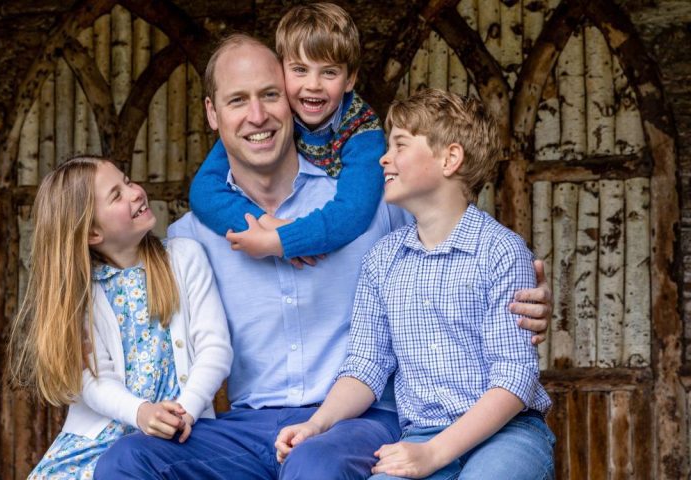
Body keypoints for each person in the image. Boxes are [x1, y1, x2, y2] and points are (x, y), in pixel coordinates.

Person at [95, 36, 551, 480]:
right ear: (213, 114)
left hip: (360, 420)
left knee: (315, 464)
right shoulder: (191, 238)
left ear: (291, 103)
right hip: (249, 428)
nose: (257, 116)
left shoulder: (368, 205)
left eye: (270, 95)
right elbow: (117, 289)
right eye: (237, 101)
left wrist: (527, 295)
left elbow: (452, 236)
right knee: (128, 461)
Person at [275, 89, 555, 479]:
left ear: (449, 158)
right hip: (421, 433)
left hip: (507, 434)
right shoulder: (383, 260)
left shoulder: (501, 252)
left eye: (400, 145)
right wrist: (316, 425)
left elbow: (515, 376)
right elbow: (366, 365)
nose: (384, 158)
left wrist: (434, 455)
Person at [7, 156, 232, 478]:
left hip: (182, 431)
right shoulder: (80, 295)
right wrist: (140, 413)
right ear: (92, 233)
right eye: (117, 195)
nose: (135, 192)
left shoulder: (184, 258)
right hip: (99, 441)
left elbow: (215, 348)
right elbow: (94, 378)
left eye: (127, 181)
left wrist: (187, 411)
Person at [189, 2, 385, 262]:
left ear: (349, 80)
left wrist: (284, 240)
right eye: (300, 70)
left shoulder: (363, 131)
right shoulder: (279, 114)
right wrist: (264, 224)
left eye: (329, 72)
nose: (312, 85)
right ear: (281, 71)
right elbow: (203, 191)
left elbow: (354, 212)